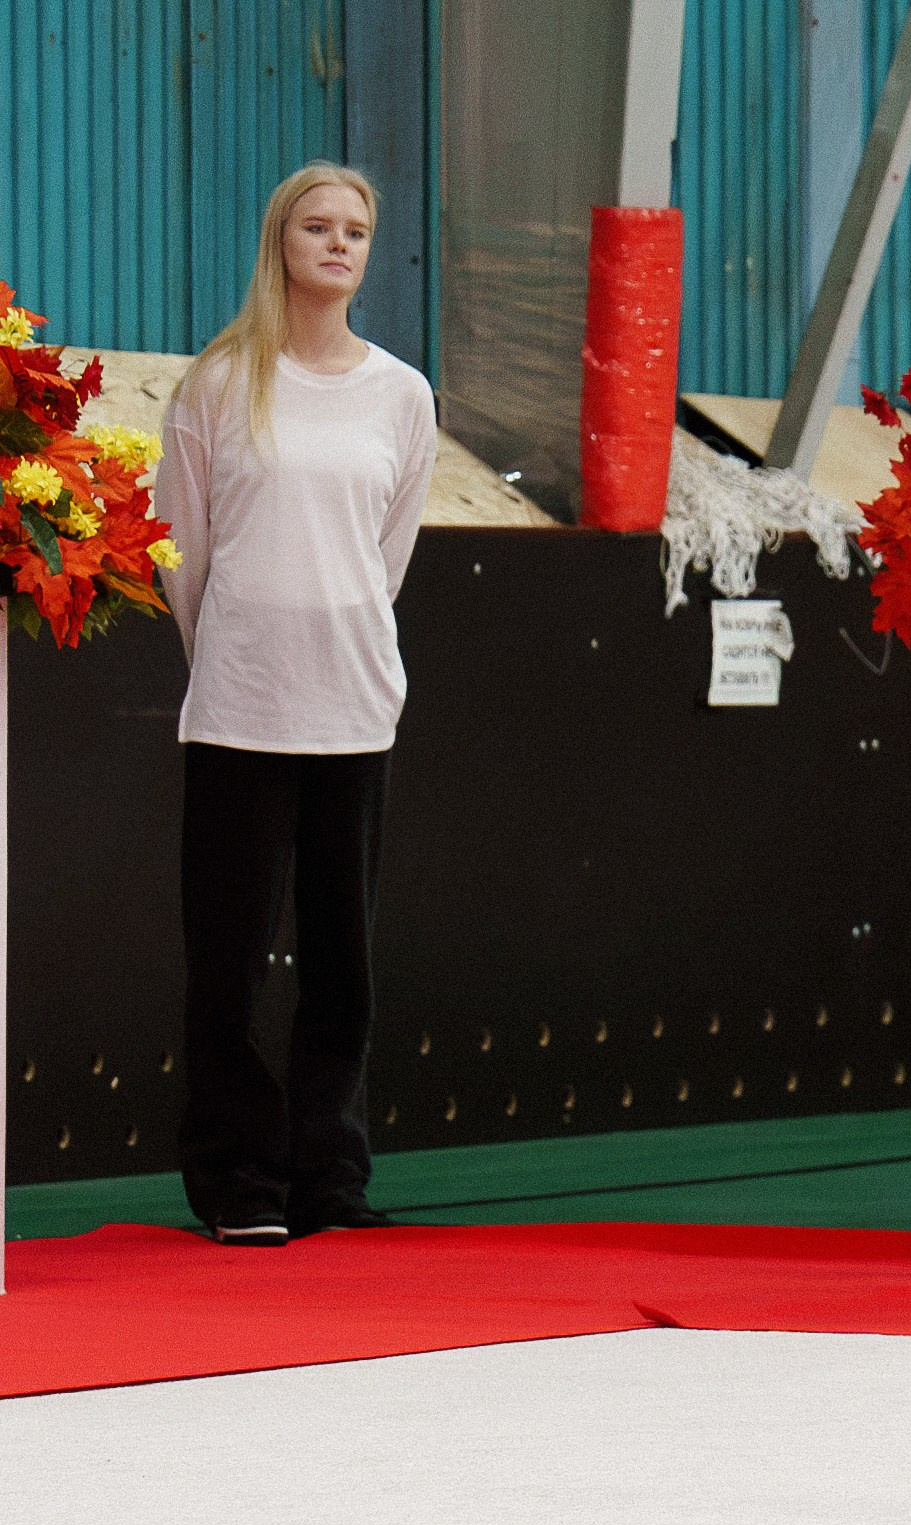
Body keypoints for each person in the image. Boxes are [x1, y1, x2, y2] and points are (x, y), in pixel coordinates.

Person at [155, 162, 438, 1245]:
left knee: (342, 959)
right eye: (316, 227)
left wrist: (334, 637)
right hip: (240, 709)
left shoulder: (402, 396)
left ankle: (329, 1175)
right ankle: (238, 1179)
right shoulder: (220, 383)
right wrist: (236, 651)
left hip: (354, 707)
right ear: (280, 241)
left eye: (356, 230)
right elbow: (184, 552)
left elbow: (388, 552)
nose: (337, 244)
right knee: (226, 955)